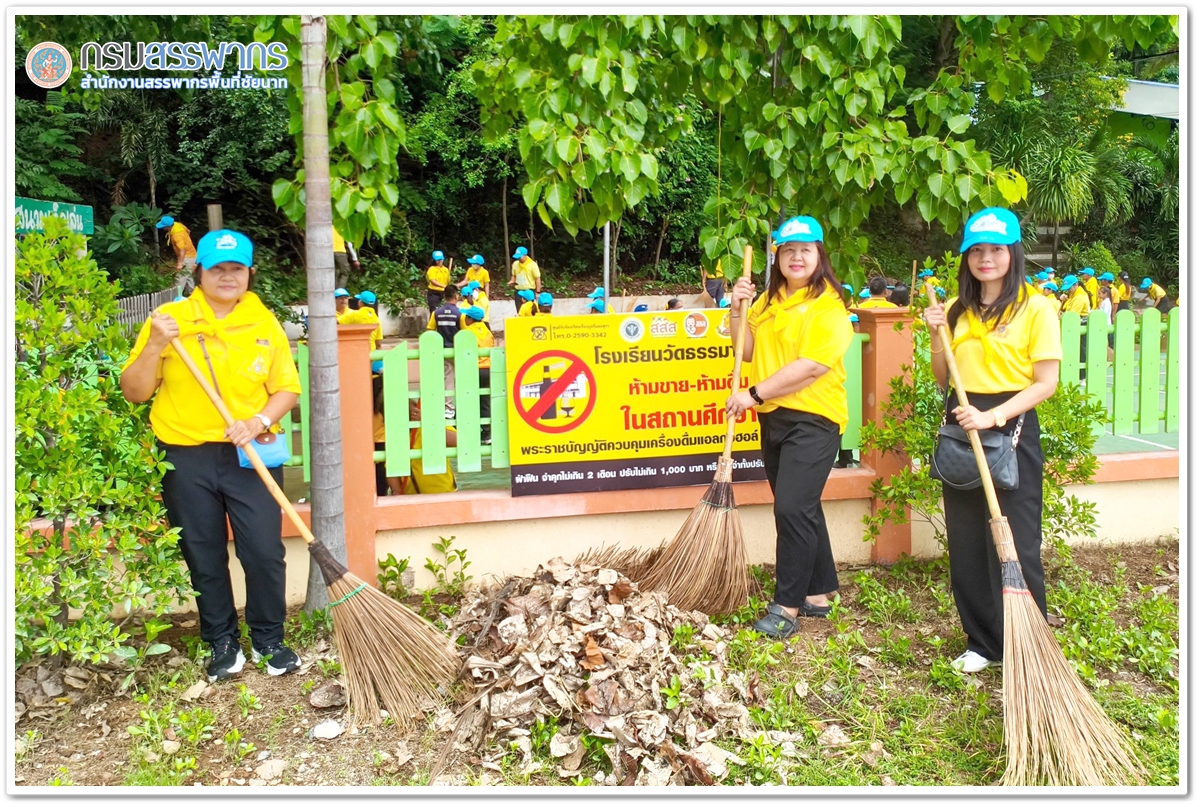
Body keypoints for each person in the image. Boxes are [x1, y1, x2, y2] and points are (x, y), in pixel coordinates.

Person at [119, 229, 302, 682]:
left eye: (236, 268)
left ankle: (268, 638)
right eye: (216, 268)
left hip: (250, 453)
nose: (226, 276)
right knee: (202, 551)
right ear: (198, 271)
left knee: (263, 551)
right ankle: (221, 640)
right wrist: (157, 345)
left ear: (249, 273)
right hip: (186, 455)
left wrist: (257, 420)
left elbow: (287, 389)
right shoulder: (169, 320)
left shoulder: (264, 323)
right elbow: (135, 392)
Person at [921, 206, 1061, 673]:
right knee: (966, 540)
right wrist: (937, 335)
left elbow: (1045, 383)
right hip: (962, 423)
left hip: (1011, 424)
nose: (986, 258)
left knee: (1017, 541)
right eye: (977, 250)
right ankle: (982, 642)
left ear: (1013, 252)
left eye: (996, 249)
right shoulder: (959, 311)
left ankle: (1027, 646)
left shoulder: (1036, 307)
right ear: (966, 258)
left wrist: (993, 415)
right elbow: (945, 378)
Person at [724, 215, 852, 638]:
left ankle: (787, 606)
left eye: (806, 250)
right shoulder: (768, 301)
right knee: (802, 505)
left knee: (792, 507)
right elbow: (745, 349)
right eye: (788, 250)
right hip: (775, 418)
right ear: (777, 256)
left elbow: (811, 366)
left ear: (819, 255)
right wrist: (736, 308)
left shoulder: (829, 306)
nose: (796, 257)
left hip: (814, 418)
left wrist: (754, 394)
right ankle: (817, 594)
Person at [461, 305, 494, 444]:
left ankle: (469, 431)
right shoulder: (488, 332)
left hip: (474, 369)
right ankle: (487, 433)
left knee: (468, 400)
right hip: (488, 369)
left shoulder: (468, 333)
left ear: (470, 318)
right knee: (485, 401)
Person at [157, 216, 198, 292]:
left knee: (180, 277)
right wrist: (186, 240)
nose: (163, 228)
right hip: (192, 254)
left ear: (169, 227)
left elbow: (183, 250)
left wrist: (180, 263)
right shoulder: (177, 224)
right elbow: (188, 231)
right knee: (188, 276)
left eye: (164, 227)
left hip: (187, 257)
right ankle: (193, 294)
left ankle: (176, 297)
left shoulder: (177, 236)